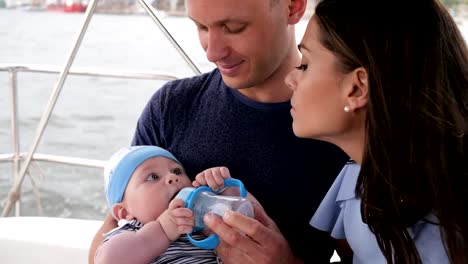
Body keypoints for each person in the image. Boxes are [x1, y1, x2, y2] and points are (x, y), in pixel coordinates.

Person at [89, 0, 349, 263]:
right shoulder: (170, 107)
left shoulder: (341, 129)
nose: (212, 53)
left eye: (234, 27)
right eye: (201, 27)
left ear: (293, 7)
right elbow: (111, 237)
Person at [285, 0, 468, 263]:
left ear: (358, 88)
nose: (289, 79)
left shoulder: (448, 240)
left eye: (305, 65)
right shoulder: (358, 173)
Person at [95, 145, 250, 264]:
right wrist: (162, 229)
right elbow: (107, 259)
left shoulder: (200, 223)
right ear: (124, 212)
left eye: (177, 171)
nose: (172, 177)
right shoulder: (131, 232)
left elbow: (241, 224)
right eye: (153, 177)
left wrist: (225, 191)